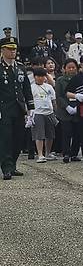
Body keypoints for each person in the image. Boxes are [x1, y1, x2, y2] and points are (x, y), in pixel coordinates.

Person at [0, 37, 34, 180]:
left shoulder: (20, 67)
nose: (13, 51)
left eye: (14, 49)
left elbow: (26, 88)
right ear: (2, 50)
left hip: (19, 108)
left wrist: (30, 107)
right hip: (4, 108)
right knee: (6, 139)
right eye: (9, 48)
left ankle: (12, 165)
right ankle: (6, 167)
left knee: (18, 138)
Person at [30, 67, 58, 163]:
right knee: (39, 134)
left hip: (49, 112)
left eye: (42, 76)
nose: (41, 78)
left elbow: (54, 100)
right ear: (34, 77)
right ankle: (40, 154)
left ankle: (48, 153)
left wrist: (55, 110)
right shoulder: (32, 87)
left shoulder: (49, 87)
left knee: (50, 134)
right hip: (37, 113)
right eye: (38, 76)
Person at [56, 58, 81, 163]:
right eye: (69, 68)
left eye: (73, 67)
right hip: (65, 110)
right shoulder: (60, 80)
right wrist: (67, 107)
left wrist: (78, 106)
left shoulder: (80, 78)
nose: (71, 69)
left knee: (77, 133)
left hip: (78, 108)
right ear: (64, 69)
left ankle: (74, 153)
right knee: (66, 132)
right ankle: (66, 153)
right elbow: (59, 96)